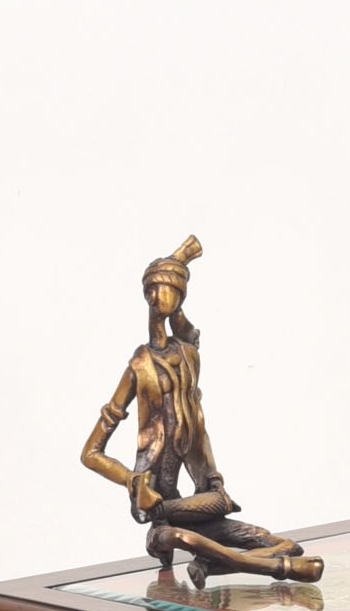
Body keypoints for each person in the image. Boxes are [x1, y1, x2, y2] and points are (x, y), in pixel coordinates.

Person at [80, 238, 325, 584]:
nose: (161, 298)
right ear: (149, 296)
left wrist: (211, 480)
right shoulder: (139, 365)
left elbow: (189, 344)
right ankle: (275, 569)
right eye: (157, 291)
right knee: (179, 539)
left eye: (170, 292)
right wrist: (134, 482)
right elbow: (91, 453)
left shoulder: (189, 358)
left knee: (284, 543)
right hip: (160, 516)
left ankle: (211, 564)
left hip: (195, 507)